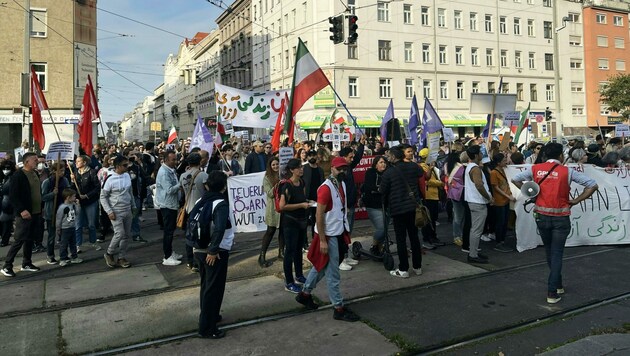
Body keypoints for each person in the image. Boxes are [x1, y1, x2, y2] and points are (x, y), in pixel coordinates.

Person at [512, 142, 598, 304]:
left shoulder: (535, 169)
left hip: (541, 217)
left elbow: (515, 179)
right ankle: (552, 291)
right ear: (561, 156)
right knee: (557, 253)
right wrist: (576, 201)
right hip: (561, 217)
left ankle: (557, 284)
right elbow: (592, 185)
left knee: (549, 251)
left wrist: (531, 193)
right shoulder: (567, 171)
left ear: (545, 155)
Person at [295, 157, 360, 322]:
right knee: (333, 273)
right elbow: (319, 215)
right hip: (328, 235)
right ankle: (338, 308)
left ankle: (305, 294)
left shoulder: (342, 184)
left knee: (321, 266)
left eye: (345, 169)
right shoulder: (325, 188)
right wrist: (323, 240)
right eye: (340, 169)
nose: (343, 171)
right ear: (332, 168)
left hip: (337, 233)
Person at [193, 171, 234, 339]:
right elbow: (219, 228)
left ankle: (211, 315)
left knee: (206, 286)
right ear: (224, 187)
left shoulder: (200, 200)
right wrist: (213, 250)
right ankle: (207, 328)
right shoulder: (220, 203)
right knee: (213, 289)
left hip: (199, 249)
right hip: (215, 252)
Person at [380, 147, 424, 278]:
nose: (387, 158)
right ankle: (418, 267)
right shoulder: (413, 166)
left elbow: (383, 190)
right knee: (414, 238)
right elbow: (422, 175)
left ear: (394, 157)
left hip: (398, 209)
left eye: (389, 155)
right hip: (413, 207)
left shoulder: (389, 172)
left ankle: (403, 269)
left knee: (401, 240)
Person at [1, 152, 42, 277]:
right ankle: (7, 265)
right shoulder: (18, 175)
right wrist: (21, 210)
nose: (37, 161)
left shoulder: (34, 173)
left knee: (30, 238)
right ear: (27, 162)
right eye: (34, 160)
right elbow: (13, 196)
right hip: (24, 214)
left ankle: (27, 263)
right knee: (19, 239)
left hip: (35, 212)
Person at [279, 158, 313, 294]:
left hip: (301, 221)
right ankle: (289, 282)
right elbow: (283, 206)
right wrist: (301, 205)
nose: (301, 169)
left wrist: (308, 202)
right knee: (290, 251)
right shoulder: (287, 186)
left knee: (298, 249)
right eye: (298, 168)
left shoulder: (302, 182)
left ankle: (299, 275)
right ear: (292, 170)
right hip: (290, 222)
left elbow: (302, 198)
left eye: (301, 167)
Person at [100, 155, 136, 269]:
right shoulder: (109, 179)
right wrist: (109, 211)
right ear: (117, 166)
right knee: (119, 233)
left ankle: (121, 257)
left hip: (127, 209)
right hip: (116, 211)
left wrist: (133, 206)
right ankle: (109, 253)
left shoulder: (127, 176)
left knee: (126, 235)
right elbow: (103, 197)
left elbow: (130, 192)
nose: (127, 167)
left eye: (128, 165)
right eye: (125, 165)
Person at [464, 145, 493, 264]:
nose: (482, 155)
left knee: (475, 229)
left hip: (473, 201)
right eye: (481, 153)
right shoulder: (475, 169)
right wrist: (489, 197)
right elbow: (479, 185)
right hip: (478, 202)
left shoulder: (471, 167)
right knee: (476, 230)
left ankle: (474, 252)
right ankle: (473, 255)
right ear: (476, 155)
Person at [179, 152, 208, 271]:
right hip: (200, 210)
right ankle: (198, 261)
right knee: (200, 237)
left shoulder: (182, 176)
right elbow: (209, 191)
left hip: (187, 210)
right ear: (199, 161)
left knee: (189, 237)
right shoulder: (203, 175)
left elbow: (182, 191)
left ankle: (190, 261)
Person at [156, 150, 183, 266]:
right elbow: (169, 190)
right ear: (166, 160)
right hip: (167, 204)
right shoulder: (164, 173)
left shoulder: (170, 170)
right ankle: (167, 256)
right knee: (168, 231)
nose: (175, 162)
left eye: (176, 159)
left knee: (170, 230)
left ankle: (170, 252)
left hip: (171, 204)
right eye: (173, 160)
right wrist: (181, 184)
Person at [71, 155, 101, 253]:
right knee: (78, 224)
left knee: (91, 224)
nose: (76, 163)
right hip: (79, 202)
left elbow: (97, 187)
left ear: (84, 163)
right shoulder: (75, 173)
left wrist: (87, 195)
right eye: (76, 161)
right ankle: (78, 244)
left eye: (78, 161)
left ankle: (93, 241)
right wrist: (72, 181)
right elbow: (73, 188)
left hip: (90, 202)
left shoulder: (92, 172)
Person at [41, 162, 70, 264]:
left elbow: (68, 192)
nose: (63, 172)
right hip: (51, 212)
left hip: (62, 210)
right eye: (60, 171)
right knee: (52, 235)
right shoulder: (47, 182)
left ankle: (64, 254)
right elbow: (43, 197)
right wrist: (52, 194)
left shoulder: (65, 180)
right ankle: (50, 255)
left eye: (63, 170)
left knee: (64, 234)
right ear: (54, 171)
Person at [361, 155, 388, 255]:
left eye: (384, 162)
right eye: (381, 162)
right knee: (381, 228)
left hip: (386, 205)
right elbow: (369, 186)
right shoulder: (370, 172)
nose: (383, 164)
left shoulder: (388, 173)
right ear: (375, 164)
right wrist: (379, 190)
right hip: (373, 205)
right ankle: (374, 245)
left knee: (385, 229)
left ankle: (380, 248)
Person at [418, 147, 445, 248]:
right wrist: (440, 183)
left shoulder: (429, 166)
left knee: (433, 218)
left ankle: (433, 237)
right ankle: (428, 238)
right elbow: (427, 180)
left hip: (433, 195)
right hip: (428, 196)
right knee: (429, 219)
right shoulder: (423, 167)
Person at [259, 157, 283, 267]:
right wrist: (278, 184)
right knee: (270, 231)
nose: (276, 166)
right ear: (270, 166)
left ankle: (281, 253)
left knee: (282, 231)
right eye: (273, 165)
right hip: (273, 209)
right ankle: (262, 256)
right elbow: (270, 193)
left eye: (277, 164)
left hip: (283, 208)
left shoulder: (283, 174)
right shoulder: (267, 177)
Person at [490, 153, 515, 253]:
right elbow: (495, 187)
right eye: (504, 160)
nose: (506, 161)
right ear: (498, 162)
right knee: (500, 222)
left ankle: (502, 241)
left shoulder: (504, 170)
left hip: (505, 200)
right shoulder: (494, 173)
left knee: (504, 222)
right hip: (499, 200)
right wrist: (508, 196)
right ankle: (499, 242)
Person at [302, 150, 324, 249]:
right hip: (306, 199)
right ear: (307, 158)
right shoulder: (304, 168)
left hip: (317, 199)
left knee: (317, 221)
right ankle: (304, 243)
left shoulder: (320, 169)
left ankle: (315, 241)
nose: (312, 158)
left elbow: (322, 183)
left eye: (313, 155)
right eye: (310, 156)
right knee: (305, 221)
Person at [56, 188, 82, 266]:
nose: (75, 198)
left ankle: (74, 257)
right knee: (64, 244)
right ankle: (63, 258)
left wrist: (78, 205)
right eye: (73, 196)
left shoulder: (73, 205)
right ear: (68, 197)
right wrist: (58, 228)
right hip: (64, 228)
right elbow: (59, 218)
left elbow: (77, 213)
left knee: (73, 243)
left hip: (72, 226)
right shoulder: (62, 207)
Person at [0, 160, 16, 247]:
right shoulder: (3, 177)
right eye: (4, 168)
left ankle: (4, 240)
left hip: (8, 203)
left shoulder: (12, 178)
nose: (5, 170)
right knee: (4, 223)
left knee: (6, 223)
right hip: (3, 202)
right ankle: (4, 239)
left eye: (8, 168)